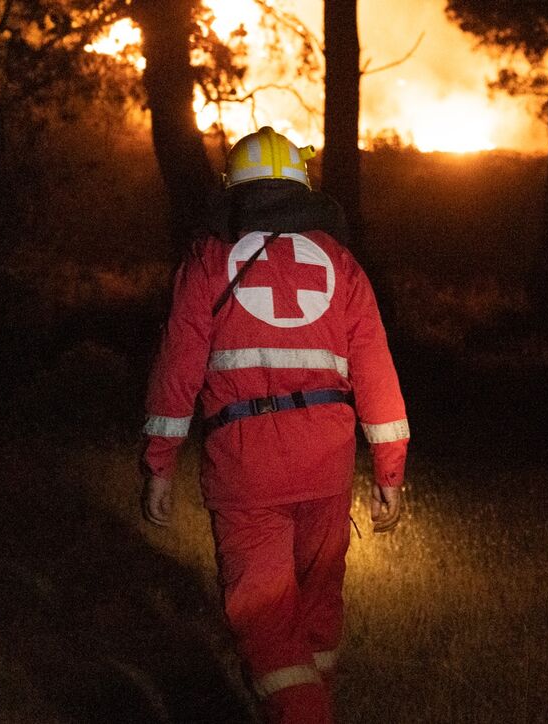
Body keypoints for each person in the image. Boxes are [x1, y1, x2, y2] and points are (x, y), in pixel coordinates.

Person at [139, 127, 409, 724]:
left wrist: (159, 464)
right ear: (303, 186)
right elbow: (377, 372)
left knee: (264, 623)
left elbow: (177, 367)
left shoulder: (209, 258)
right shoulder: (341, 263)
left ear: (232, 190)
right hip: (327, 466)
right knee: (316, 615)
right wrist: (390, 472)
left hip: (246, 467)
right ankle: (306, 706)